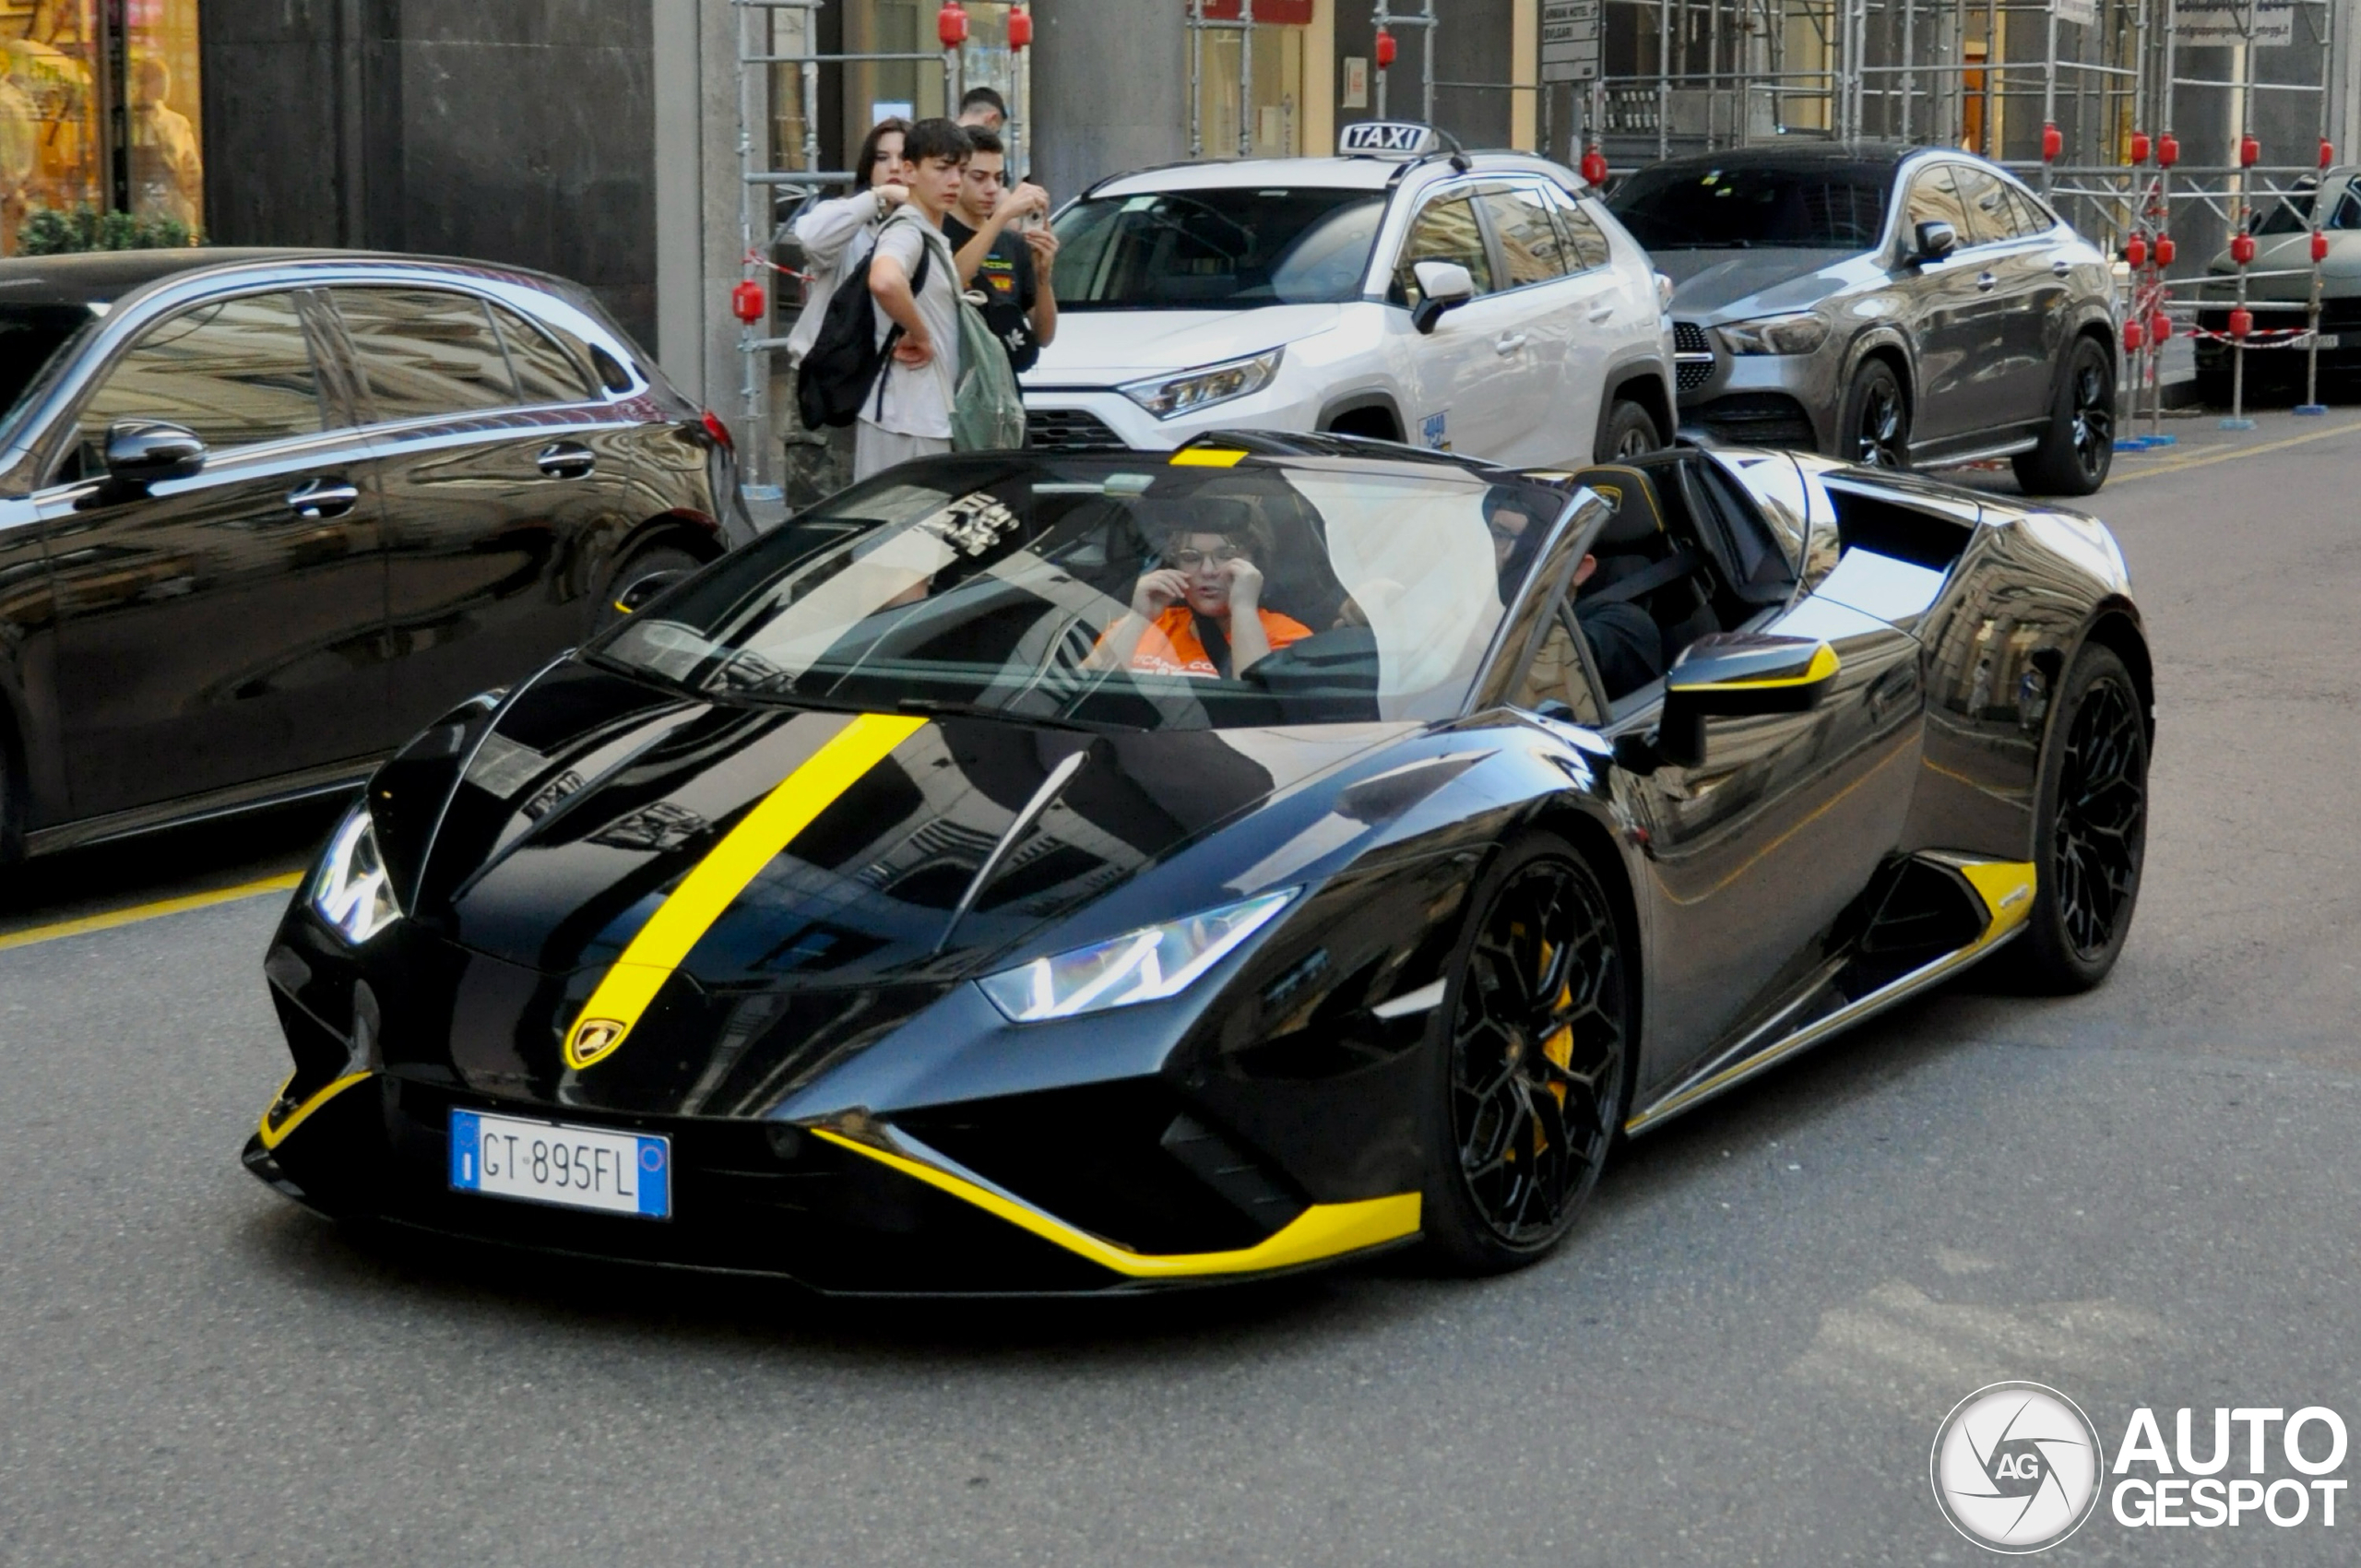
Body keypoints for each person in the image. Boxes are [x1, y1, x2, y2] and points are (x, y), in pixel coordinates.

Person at [857, 117, 969, 481]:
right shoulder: (908, 231)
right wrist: (921, 335)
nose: (954, 180)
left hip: (920, 416)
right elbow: (885, 280)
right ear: (909, 171)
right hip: (906, 420)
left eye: (961, 170)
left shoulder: (927, 232)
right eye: (942, 168)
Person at [1485, 489, 1666, 704]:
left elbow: (1542, 666)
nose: (1506, 555)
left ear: (1580, 569)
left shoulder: (1623, 625)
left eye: (1529, 544)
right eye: (1498, 535)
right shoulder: (1472, 609)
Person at [1088, 514, 1311, 679]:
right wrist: (1138, 618)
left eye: (1226, 555)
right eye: (1191, 557)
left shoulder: (1289, 637)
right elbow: (1082, 696)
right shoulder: (1144, 625)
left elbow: (1259, 710)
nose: (1207, 570)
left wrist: (1243, 609)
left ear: (1255, 564)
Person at [785, 117, 911, 364]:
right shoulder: (846, 213)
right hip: (827, 374)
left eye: (904, 158)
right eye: (882, 158)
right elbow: (812, 240)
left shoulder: (925, 226)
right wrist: (878, 197)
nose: (894, 167)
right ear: (869, 166)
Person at [942, 127, 1057, 375]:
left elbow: (1044, 335)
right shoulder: (937, 233)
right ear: (956, 176)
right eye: (979, 177)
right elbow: (953, 278)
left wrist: (1043, 276)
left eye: (999, 178)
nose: (992, 188)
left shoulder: (1012, 243)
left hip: (1004, 392)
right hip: (955, 385)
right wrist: (1002, 216)